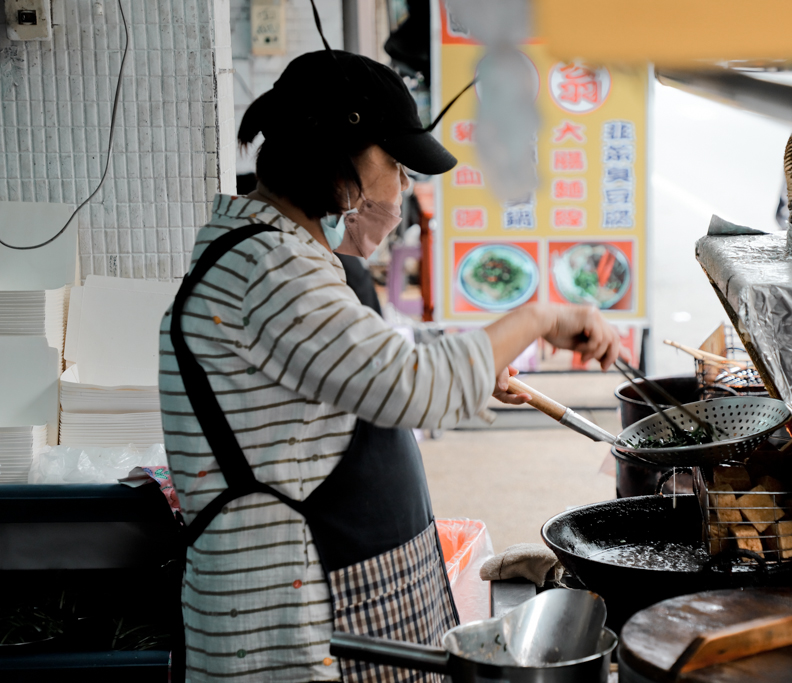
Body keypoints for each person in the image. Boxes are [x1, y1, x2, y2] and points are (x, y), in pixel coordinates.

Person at [159, 50, 620, 683]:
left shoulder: (280, 254)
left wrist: (476, 369)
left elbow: (367, 369)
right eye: (396, 164)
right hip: (292, 618)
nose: (402, 188)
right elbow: (414, 388)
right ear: (339, 154)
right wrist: (539, 319)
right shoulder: (269, 268)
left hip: (331, 591)